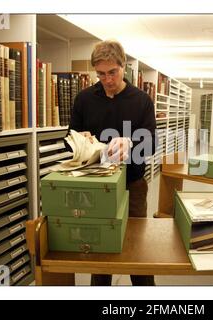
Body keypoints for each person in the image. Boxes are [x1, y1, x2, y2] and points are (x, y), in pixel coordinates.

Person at [68, 40, 156, 286]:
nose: (107, 79)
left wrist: (130, 143)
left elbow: (150, 146)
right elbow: (68, 138)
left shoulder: (141, 101)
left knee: (137, 250)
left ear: (123, 66)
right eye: (101, 74)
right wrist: (79, 140)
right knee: (101, 247)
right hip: (96, 185)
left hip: (133, 185)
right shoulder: (85, 99)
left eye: (112, 72)